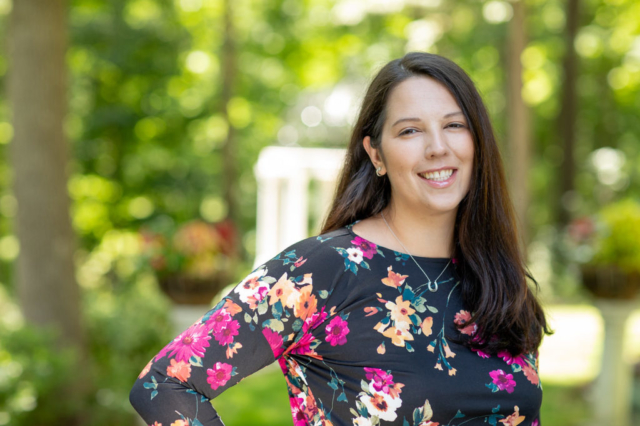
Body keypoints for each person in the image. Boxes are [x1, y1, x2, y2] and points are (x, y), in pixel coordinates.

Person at [129, 51, 552, 426]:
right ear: (375, 154)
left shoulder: (497, 275)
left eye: (455, 125)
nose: (438, 147)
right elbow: (164, 385)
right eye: (410, 131)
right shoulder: (325, 268)